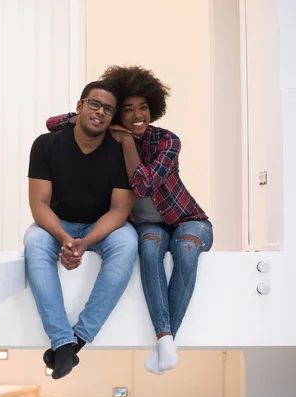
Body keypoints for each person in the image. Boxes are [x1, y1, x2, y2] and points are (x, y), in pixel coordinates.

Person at [45, 65, 213, 375]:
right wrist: (93, 116)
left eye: (144, 107)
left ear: (154, 108)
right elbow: (53, 123)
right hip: (149, 225)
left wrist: (126, 143)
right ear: (117, 114)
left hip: (187, 219)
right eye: (127, 109)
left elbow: (144, 185)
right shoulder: (107, 136)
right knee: (147, 249)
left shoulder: (166, 141)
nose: (138, 114)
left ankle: (166, 339)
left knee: (186, 250)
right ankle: (166, 343)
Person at [25, 80, 138, 380]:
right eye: (95, 104)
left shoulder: (119, 152)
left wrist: (85, 242)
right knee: (34, 239)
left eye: (108, 110)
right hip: (57, 223)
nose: (100, 112)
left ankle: (76, 341)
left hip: (100, 226)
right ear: (80, 106)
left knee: (128, 241)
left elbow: (120, 211)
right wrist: (64, 239)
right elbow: (39, 205)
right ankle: (62, 341)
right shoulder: (46, 145)